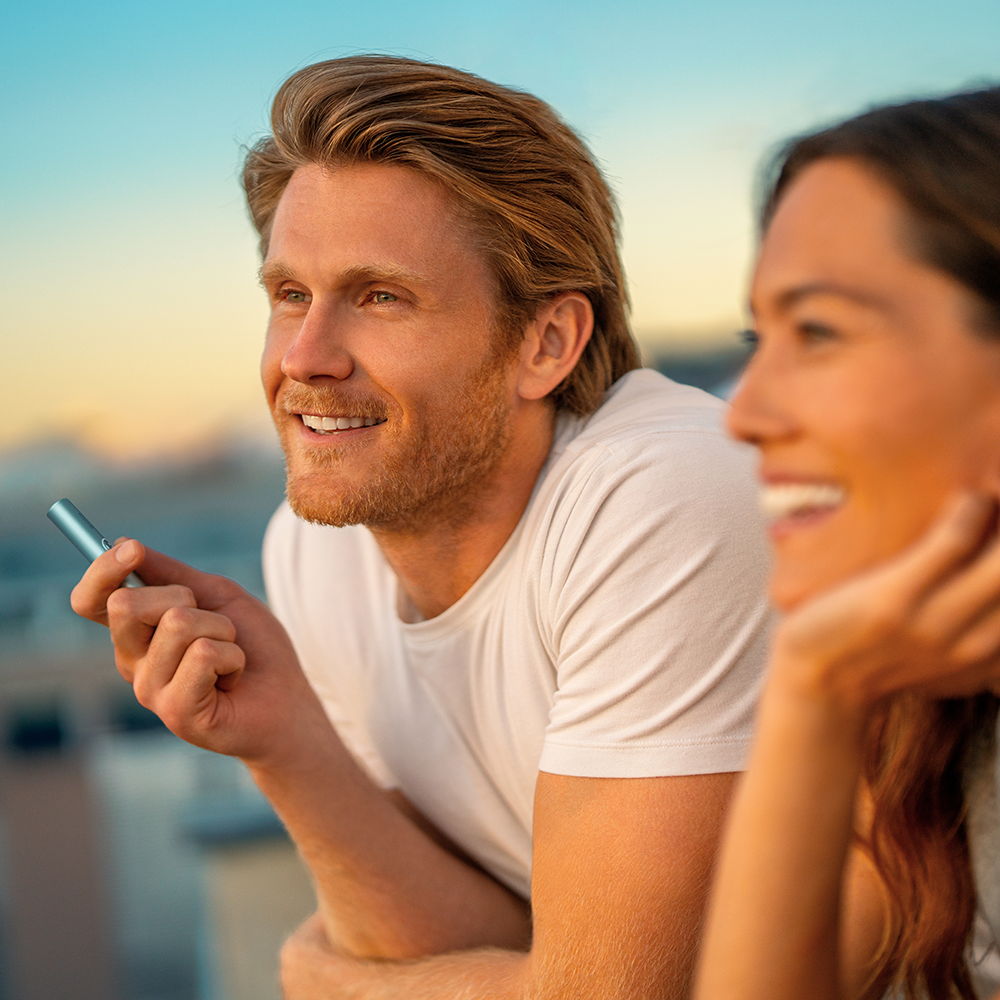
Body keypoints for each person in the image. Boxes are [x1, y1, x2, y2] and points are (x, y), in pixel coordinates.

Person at [72, 56, 771, 998]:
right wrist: (285, 741)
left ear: (546, 343)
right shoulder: (313, 550)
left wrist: (331, 983)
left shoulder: (661, 494)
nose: (306, 358)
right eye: (289, 296)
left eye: (379, 296)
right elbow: (506, 937)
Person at [693, 87, 1000, 1000]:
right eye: (761, 338)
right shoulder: (931, 711)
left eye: (818, 331)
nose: (743, 415)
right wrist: (813, 693)